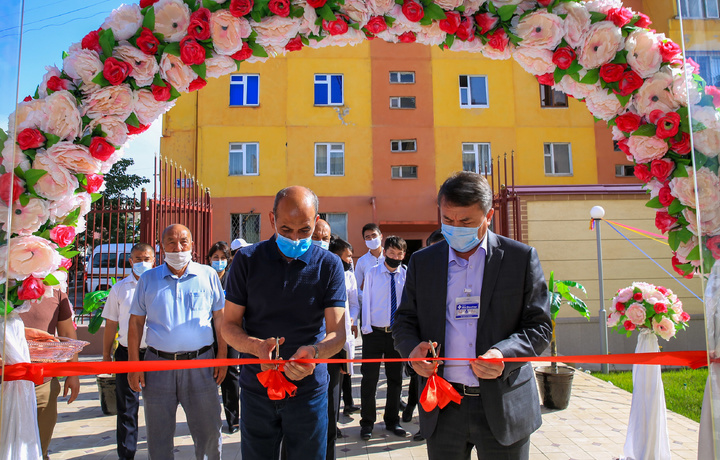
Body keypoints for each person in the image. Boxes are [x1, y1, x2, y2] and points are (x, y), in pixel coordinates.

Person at [393, 171, 552, 460]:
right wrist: (411, 349)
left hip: (504, 405)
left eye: (466, 222)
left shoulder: (519, 259)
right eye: (448, 220)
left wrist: (504, 354)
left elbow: (539, 327)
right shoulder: (423, 262)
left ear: (488, 215)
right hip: (443, 406)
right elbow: (404, 320)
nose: (455, 229)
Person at [223, 186, 347, 460]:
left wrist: (314, 353)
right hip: (257, 390)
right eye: (286, 229)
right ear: (271, 220)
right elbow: (229, 325)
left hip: (309, 392)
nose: (294, 238)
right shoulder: (246, 260)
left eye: (304, 230)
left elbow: (337, 333)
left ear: (316, 221)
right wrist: (255, 347)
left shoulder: (329, 265)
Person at [128, 224, 227, 459]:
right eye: (171, 241)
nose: (178, 246)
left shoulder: (208, 275)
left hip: (201, 364)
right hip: (157, 366)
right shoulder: (148, 279)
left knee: (209, 433)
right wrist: (134, 365)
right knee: (158, 435)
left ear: (193, 244)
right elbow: (135, 324)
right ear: (162, 246)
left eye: (184, 241)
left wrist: (222, 357)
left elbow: (221, 319)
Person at [101, 243, 155, 460]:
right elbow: (111, 324)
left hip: (155, 354)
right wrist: (106, 355)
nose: (143, 263)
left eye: (147, 258)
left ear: (154, 260)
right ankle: (126, 454)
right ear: (130, 261)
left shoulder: (159, 286)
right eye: (138, 259)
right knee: (126, 408)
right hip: (125, 353)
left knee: (158, 406)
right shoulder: (120, 289)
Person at [18, 290, 80, 460]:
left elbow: (67, 334)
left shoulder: (56, 295)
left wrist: (72, 374)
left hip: (43, 384)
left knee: (38, 449)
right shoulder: (5, 288)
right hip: (6, 381)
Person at [359, 236, 409, 440]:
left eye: (399, 254)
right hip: (374, 333)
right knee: (369, 379)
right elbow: (367, 301)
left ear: (404, 255)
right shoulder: (372, 273)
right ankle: (367, 422)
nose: (395, 257)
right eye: (391, 253)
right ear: (385, 252)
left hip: (396, 335)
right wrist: (366, 327)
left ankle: (392, 420)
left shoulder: (405, 275)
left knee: (395, 379)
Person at [401, 229, 445, 441]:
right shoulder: (420, 270)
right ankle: (419, 420)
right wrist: (411, 349)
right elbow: (405, 317)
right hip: (426, 360)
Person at [327, 236, 359, 455]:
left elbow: (354, 303)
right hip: (321, 340)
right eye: (348, 256)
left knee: (336, 384)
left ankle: (333, 423)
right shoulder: (322, 272)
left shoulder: (349, 277)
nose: (350, 260)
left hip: (342, 338)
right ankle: (326, 425)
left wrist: (351, 319)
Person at [207, 240, 241, 434]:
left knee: (230, 375)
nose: (219, 261)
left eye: (223, 258)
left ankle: (233, 418)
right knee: (209, 376)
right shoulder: (204, 278)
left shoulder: (233, 279)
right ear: (209, 259)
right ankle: (210, 418)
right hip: (207, 334)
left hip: (230, 334)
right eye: (215, 257)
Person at [355, 223, 384, 301]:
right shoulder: (362, 261)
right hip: (370, 305)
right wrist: (363, 297)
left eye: (374, 235)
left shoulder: (390, 257)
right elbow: (356, 286)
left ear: (381, 236)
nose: (371, 239)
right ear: (364, 240)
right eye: (368, 237)